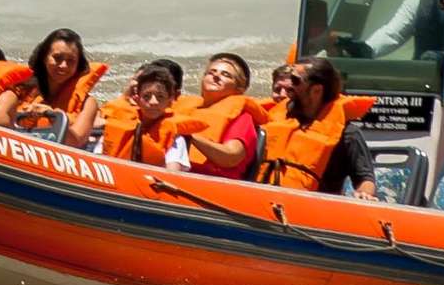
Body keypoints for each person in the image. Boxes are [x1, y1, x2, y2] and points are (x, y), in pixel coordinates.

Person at [257, 57, 378, 199]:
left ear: (316, 90)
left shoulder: (348, 134)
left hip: (313, 208)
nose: (289, 85)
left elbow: (365, 179)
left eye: (296, 80)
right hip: (264, 200)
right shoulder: (274, 118)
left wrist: (364, 194)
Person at [0, 28, 107, 147]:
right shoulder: (18, 90)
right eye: (57, 58)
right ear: (44, 57)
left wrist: (52, 115)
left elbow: (76, 142)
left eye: (71, 61)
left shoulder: (88, 104)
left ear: (78, 65)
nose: (63, 65)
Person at [169, 51, 265, 179]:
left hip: (210, 182)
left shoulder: (242, 118)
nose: (216, 76)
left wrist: (190, 135)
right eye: (211, 72)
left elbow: (231, 157)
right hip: (173, 172)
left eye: (226, 75)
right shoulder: (181, 105)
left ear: (239, 88)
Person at [99, 62, 206, 166]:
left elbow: (172, 174)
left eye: (160, 97)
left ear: (170, 100)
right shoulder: (118, 122)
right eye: (146, 96)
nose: (153, 102)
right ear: (137, 99)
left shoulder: (175, 139)